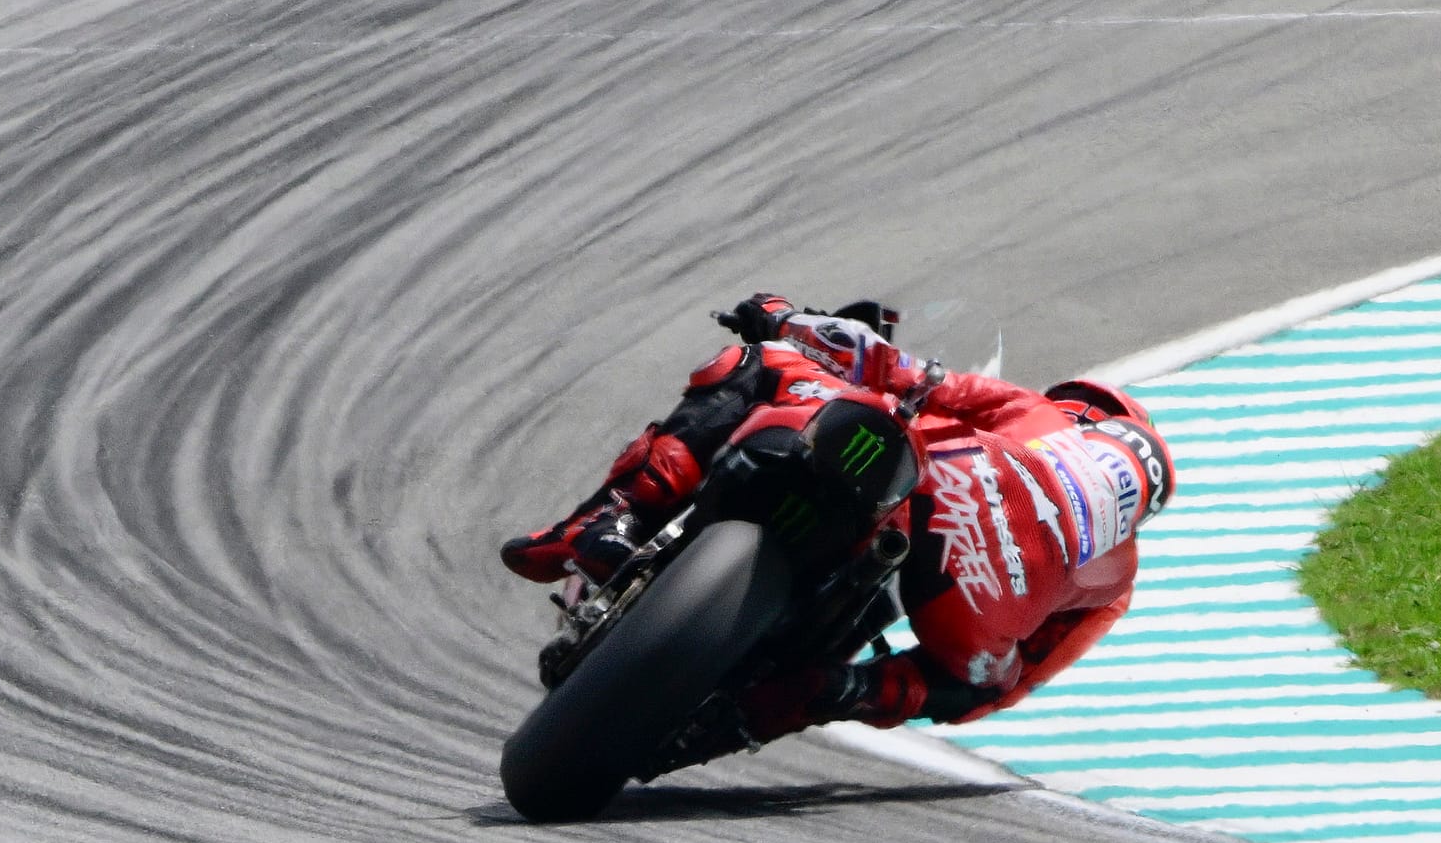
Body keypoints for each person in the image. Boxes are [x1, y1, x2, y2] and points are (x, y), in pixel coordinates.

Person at [501, 294, 1175, 749]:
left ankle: (608, 521)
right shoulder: (1113, 585)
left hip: (920, 492)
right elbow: (1005, 683)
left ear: (1088, 414)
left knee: (755, 366)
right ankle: (797, 696)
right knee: (932, 678)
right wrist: (863, 693)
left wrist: (781, 315)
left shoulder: (1038, 415)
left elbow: (900, 371)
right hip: (965, 610)